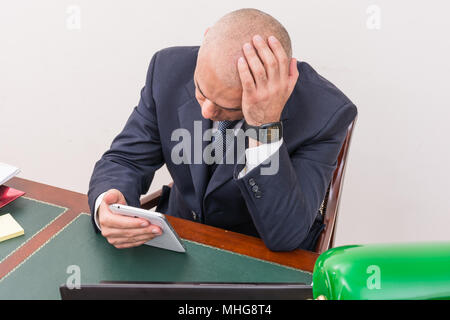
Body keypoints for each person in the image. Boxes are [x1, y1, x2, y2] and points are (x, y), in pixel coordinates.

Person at [88, 8, 357, 252]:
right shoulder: (168, 69)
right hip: (178, 238)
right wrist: (108, 204)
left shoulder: (326, 114)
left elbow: (285, 235)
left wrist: (264, 125)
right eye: (201, 92)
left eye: (228, 108)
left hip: (257, 256)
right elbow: (125, 159)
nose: (207, 112)